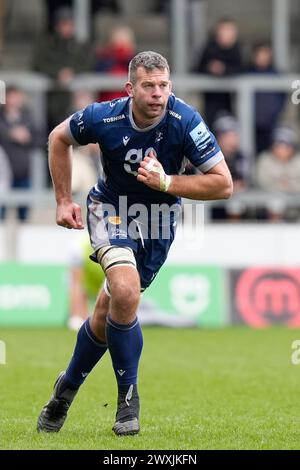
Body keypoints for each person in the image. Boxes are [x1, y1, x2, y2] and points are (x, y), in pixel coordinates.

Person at [37, 51, 233, 436]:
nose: (157, 93)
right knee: (125, 291)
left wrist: (167, 183)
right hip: (110, 208)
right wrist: (62, 199)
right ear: (130, 89)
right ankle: (128, 401)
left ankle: (66, 388)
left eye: (163, 85)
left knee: (109, 309)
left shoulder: (186, 121)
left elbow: (223, 184)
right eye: (148, 86)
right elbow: (59, 138)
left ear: (170, 86)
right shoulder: (104, 117)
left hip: (158, 222)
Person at [194, 18, 243, 127]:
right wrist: (210, 68)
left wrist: (224, 69)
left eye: (230, 31)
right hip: (211, 99)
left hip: (231, 99)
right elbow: (198, 68)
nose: (227, 34)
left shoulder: (237, 49)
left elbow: (241, 69)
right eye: (224, 30)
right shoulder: (209, 48)